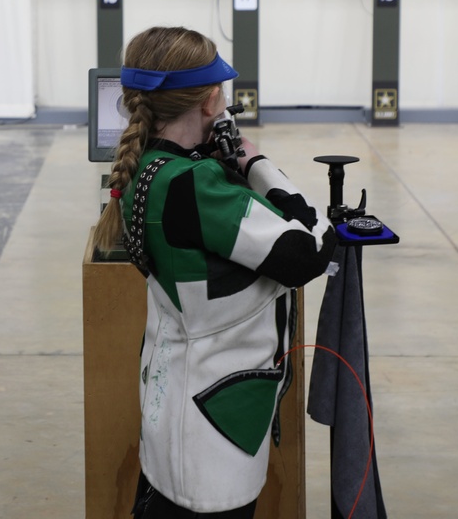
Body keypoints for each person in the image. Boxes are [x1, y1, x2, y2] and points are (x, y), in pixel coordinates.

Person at [93, 26, 337, 518]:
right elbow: (309, 249)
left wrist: (224, 160)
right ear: (209, 102)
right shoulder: (196, 185)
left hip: (175, 403)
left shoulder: (151, 166)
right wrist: (254, 161)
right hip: (212, 424)